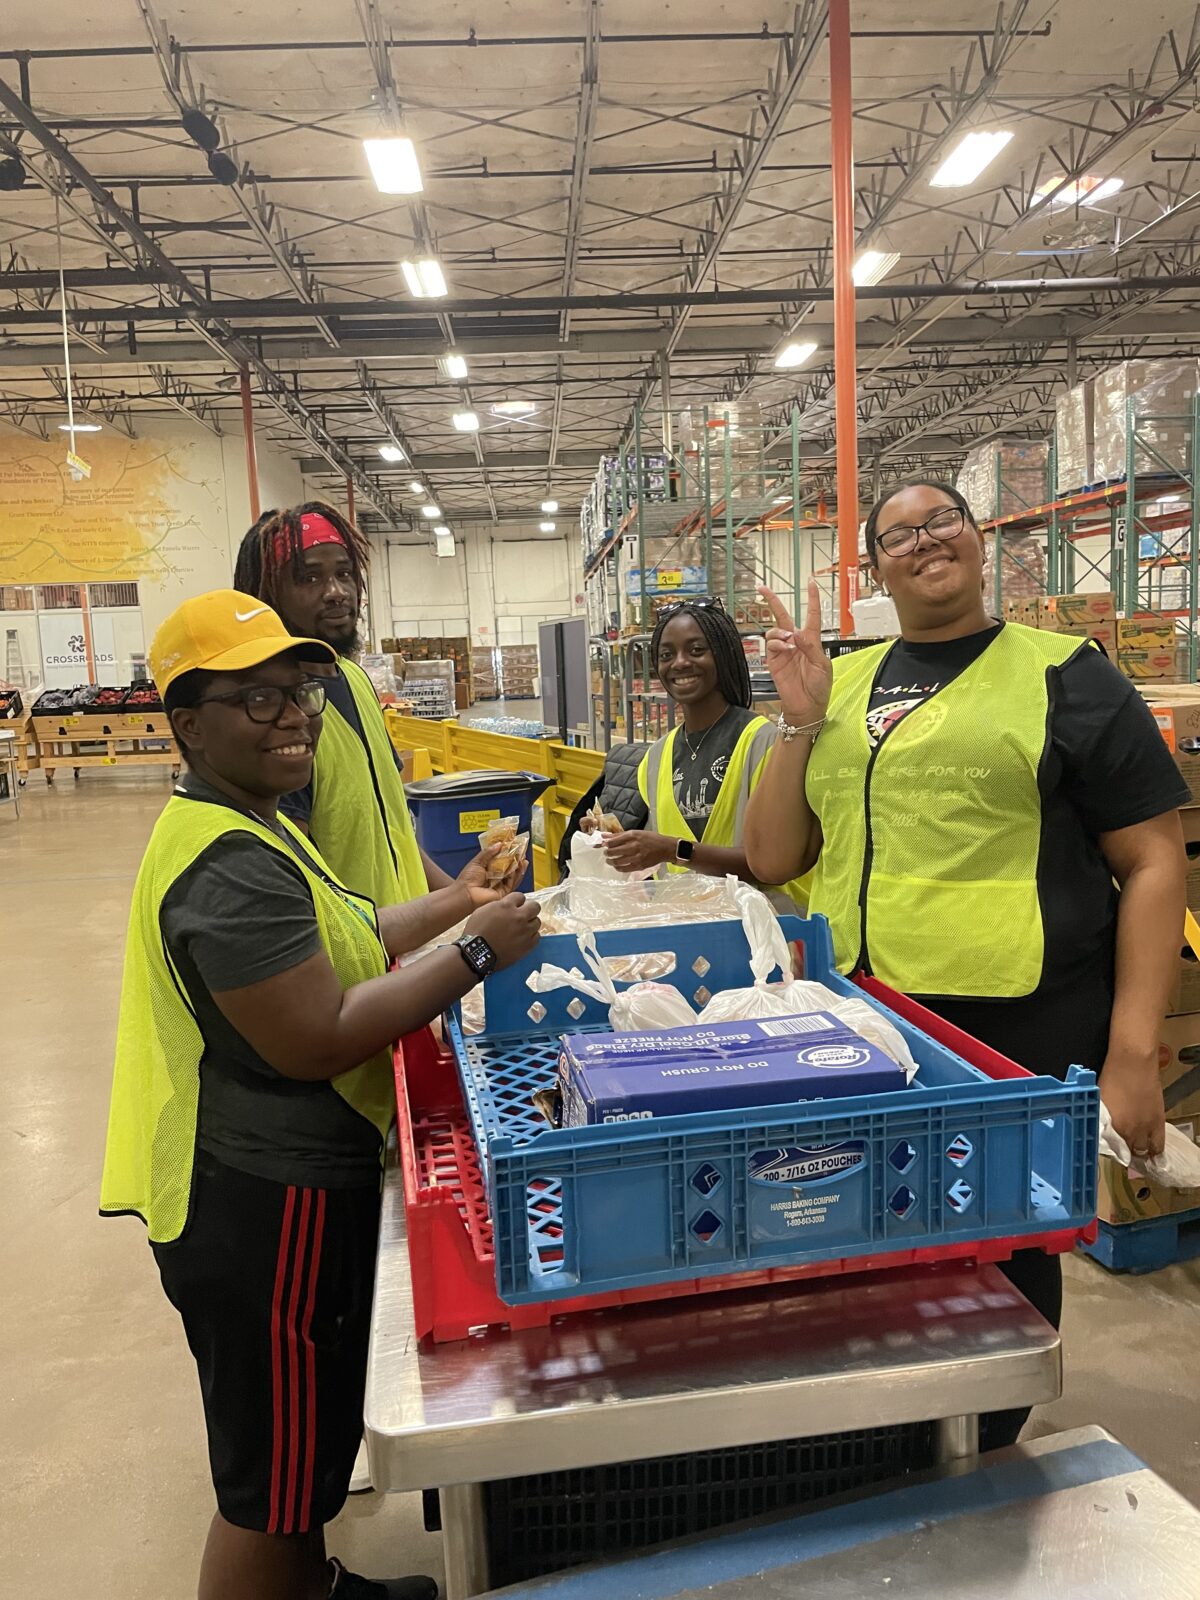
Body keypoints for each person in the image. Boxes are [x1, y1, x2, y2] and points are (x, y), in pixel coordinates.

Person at [100, 590, 540, 1600]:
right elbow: (317, 1034)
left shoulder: (248, 819)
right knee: (270, 1486)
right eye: (256, 700)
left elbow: (346, 938)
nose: (293, 714)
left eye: (295, 691)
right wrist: (477, 949)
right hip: (253, 1196)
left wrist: (455, 898)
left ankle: (319, 1586)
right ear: (187, 722)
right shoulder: (223, 863)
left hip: (282, 1176)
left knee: (302, 1450)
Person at [743, 478, 1188, 1447]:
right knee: (867, 1236)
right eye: (897, 533)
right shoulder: (841, 684)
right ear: (874, 569)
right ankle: (885, 1437)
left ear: (981, 541)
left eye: (942, 519)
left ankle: (981, 1444)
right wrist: (798, 719)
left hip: (1016, 1028)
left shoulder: (1066, 673)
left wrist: (1131, 1048)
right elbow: (776, 857)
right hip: (867, 1027)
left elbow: (1154, 859)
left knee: (1003, 1247)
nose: (924, 540)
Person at [233, 502, 496, 908]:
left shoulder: (353, 679)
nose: (337, 592)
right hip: (354, 958)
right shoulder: (276, 716)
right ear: (269, 593)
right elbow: (299, 879)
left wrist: (461, 897)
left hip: (404, 943)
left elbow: (391, 826)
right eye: (309, 577)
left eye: (343, 573)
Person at [589, 596, 806, 907]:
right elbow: (661, 858)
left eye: (696, 650)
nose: (679, 663)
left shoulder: (763, 742)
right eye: (667, 654)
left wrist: (672, 849)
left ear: (723, 655)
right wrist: (617, 841)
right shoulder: (656, 757)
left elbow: (775, 865)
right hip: (686, 931)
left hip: (759, 931)